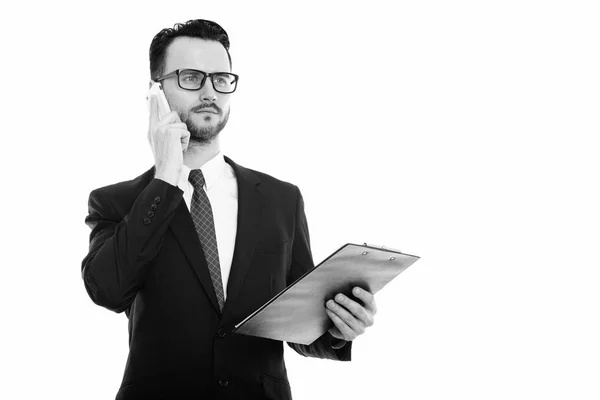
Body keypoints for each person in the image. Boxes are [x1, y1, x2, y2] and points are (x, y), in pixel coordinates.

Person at [81, 19, 377, 400]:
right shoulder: (118, 201)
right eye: (191, 77)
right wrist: (167, 177)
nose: (209, 92)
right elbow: (107, 290)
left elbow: (296, 322)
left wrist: (337, 327)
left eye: (221, 78)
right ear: (155, 91)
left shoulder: (280, 199)